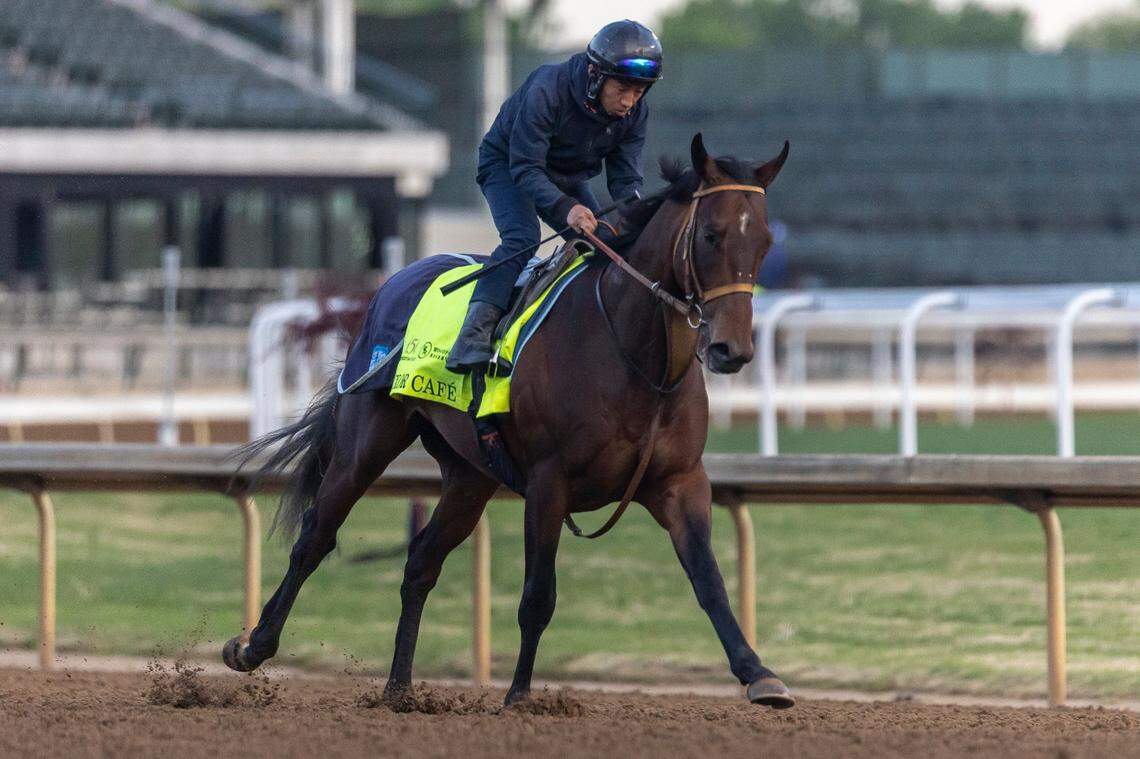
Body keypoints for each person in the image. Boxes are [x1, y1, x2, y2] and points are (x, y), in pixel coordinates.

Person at [445, 19, 663, 374]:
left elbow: (625, 182)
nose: (628, 102)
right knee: (522, 238)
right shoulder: (548, 89)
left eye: (639, 92)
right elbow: (526, 168)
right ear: (595, 74)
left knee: (604, 242)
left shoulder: (635, 113)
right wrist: (567, 208)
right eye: (622, 88)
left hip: (566, 176)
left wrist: (645, 215)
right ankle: (473, 335)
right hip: (509, 164)